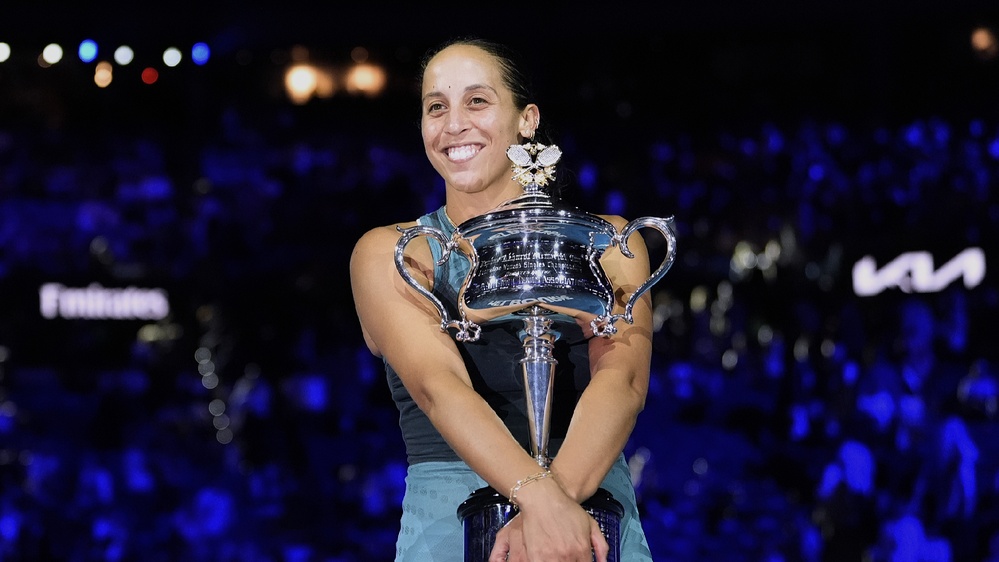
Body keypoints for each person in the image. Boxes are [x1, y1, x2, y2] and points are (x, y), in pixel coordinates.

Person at [350, 37, 654, 562]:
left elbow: (622, 379)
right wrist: (540, 502)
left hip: (590, 518)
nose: (453, 123)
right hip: (451, 521)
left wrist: (553, 508)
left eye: (477, 101)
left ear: (526, 119)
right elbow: (438, 387)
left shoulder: (609, 241)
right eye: (435, 107)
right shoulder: (395, 253)